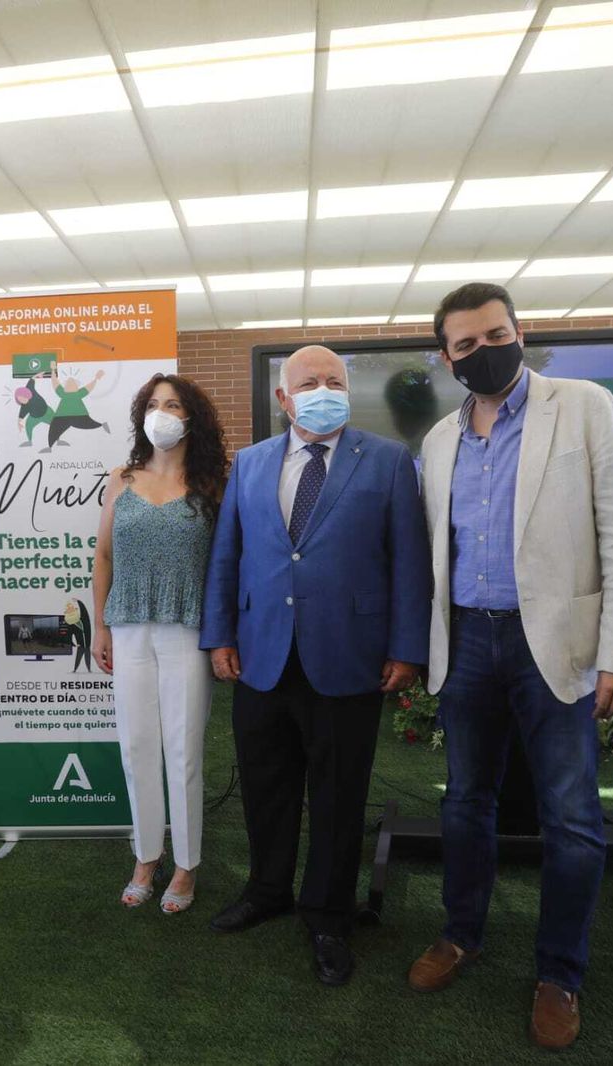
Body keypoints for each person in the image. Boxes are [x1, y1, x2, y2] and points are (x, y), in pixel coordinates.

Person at [412, 283, 613, 1049]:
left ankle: (560, 974)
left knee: (573, 819)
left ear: (519, 332)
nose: (485, 351)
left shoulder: (583, 406)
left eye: (496, 334)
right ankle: (462, 934)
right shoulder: (438, 442)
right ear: (447, 358)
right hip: (468, 644)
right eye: (467, 344)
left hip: (554, 642)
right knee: (465, 804)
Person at [199, 346, 430, 985]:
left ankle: (328, 913)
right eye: (309, 382)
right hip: (261, 655)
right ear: (283, 398)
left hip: (349, 657)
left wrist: (407, 647)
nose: (322, 390)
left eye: (334, 381)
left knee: (337, 794)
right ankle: (267, 888)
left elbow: (409, 562)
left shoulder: (387, 462)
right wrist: (219, 635)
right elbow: (228, 557)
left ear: (348, 393)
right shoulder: (248, 465)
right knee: (265, 784)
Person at [91, 374, 229, 914]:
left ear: (191, 416)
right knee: (136, 747)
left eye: (172, 404)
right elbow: (104, 557)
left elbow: (226, 566)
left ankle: (187, 865)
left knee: (184, 752)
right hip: (127, 628)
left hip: (187, 631)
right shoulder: (119, 480)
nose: (161, 413)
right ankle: (146, 856)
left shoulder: (214, 486)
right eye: (152, 404)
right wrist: (100, 626)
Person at [43, 366, 110, 452]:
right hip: (62, 416)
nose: (70, 385)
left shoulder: (74, 393)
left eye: (72, 383)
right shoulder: (65, 393)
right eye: (68, 383)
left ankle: (102, 425)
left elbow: (89, 387)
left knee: (90, 424)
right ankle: (50, 447)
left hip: (78, 415)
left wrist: (96, 379)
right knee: (54, 429)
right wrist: (52, 371)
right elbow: (55, 383)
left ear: (76, 386)